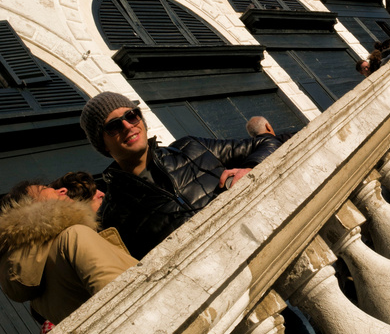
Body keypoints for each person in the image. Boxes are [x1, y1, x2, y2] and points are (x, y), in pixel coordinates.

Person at [79, 92, 282, 259]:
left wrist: (250, 167)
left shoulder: (191, 148)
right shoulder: (112, 217)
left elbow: (267, 142)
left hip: (265, 249)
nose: (127, 126)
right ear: (103, 143)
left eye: (132, 115)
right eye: (113, 126)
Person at [0, 180, 137, 326]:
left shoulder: (38, 297)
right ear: (27, 209)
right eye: (44, 189)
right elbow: (124, 297)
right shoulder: (74, 236)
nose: (63, 189)